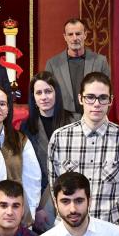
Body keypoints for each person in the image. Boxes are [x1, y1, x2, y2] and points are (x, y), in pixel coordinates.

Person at [47, 72, 119, 234]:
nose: (96, 104)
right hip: (68, 231)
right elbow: (54, 189)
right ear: (80, 99)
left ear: (110, 100)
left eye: (102, 98)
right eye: (90, 97)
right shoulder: (60, 137)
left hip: (109, 231)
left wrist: (118, 224)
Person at [0, 84, 42, 222]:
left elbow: (32, 180)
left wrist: (28, 213)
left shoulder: (20, 140)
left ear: (8, 109)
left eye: (2, 104)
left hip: (14, 213)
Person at [21, 71, 73, 223]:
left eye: (48, 91)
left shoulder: (74, 120)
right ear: (33, 97)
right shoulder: (26, 127)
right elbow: (27, 172)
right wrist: (36, 207)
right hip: (43, 201)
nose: (44, 97)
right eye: (38, 93)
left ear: (56, 93)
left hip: (73, 194)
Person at [44, 18, 111, 122]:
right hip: (62, 122)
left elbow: (108, 92)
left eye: (78, 33)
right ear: (65, 37)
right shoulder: (52, 64)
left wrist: (98, 117)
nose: (75, 38)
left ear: (85, 35)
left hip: (94, 120)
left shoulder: (100, 61)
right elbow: (48, 95)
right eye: (70, 34)